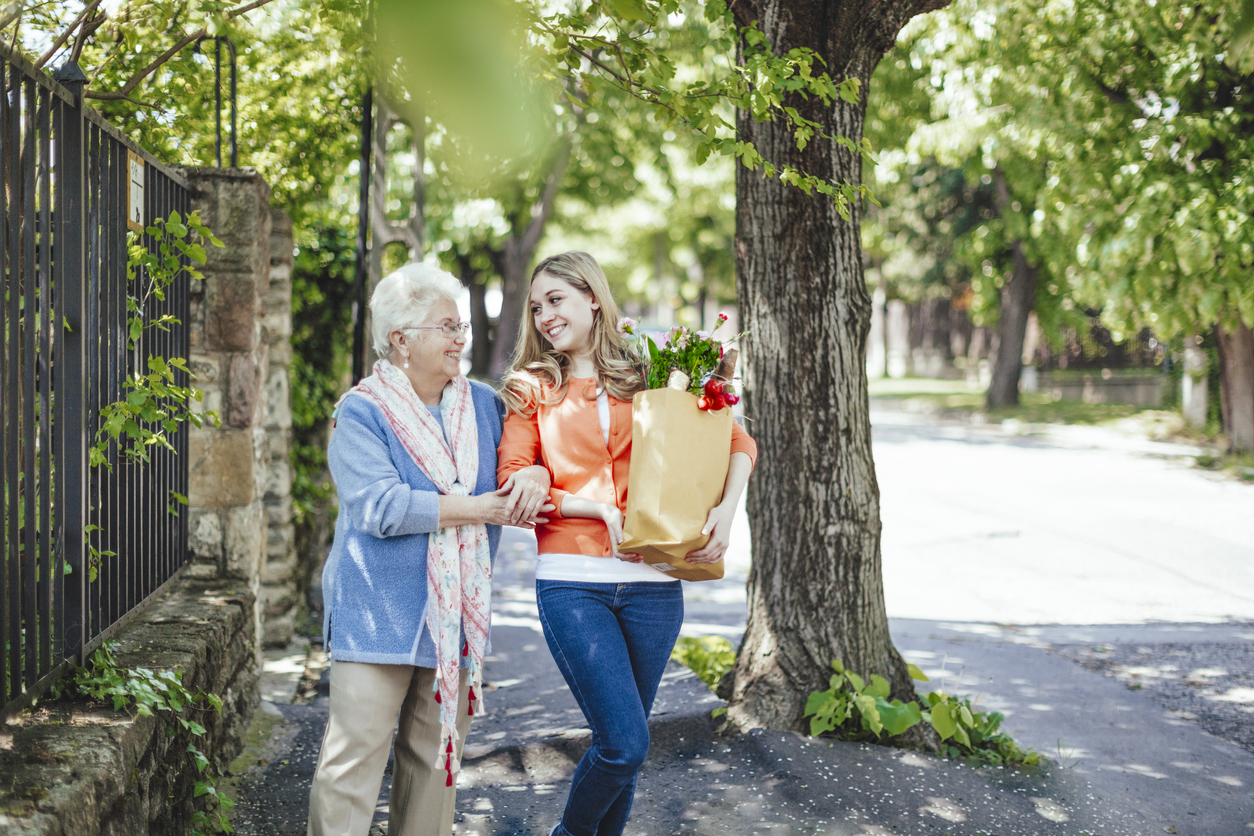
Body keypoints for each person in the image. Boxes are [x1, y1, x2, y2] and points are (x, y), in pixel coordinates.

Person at [497, 252, 757, 836]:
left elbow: (736, 439)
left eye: (556, 300)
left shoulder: (654, 368)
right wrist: (593, 508)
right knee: (624, 744)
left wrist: (727, 509)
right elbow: (514, 481)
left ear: (593, 296)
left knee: (628, 752)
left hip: (656, 584)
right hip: (572, 581)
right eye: (536, 307)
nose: (544, 316)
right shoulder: (531, 388)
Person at [307, 262, 552, 836]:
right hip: (377, 616)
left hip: (454, 622)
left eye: (461, 326)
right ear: (401, 340)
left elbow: (533, 455)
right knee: (351, 770)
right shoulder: (361, 412)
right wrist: (482, 509)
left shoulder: (486, 406)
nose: (461, 339)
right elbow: (381, 507)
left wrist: (536, 475)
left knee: (436, 767)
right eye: (447, 326)